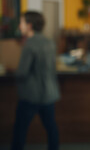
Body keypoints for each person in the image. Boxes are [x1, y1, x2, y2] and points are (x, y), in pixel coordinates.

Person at [11, 11, 60, 150]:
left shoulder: (30, 44)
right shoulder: (49, 42)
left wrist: (12, 71)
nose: (20, 26)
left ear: (29, 25)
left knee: (20, 130)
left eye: (21, 23)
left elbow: (22, 72)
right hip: (49, 92)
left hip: (31, 95)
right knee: (51, 128)